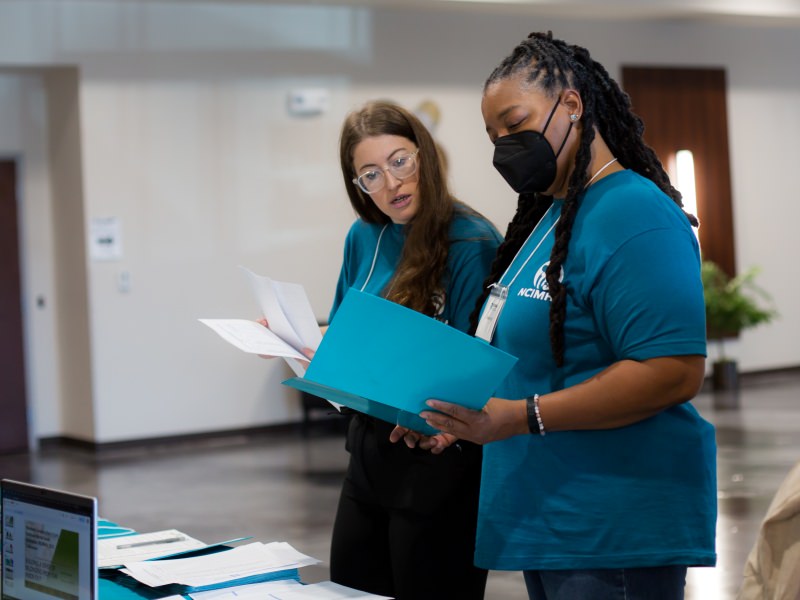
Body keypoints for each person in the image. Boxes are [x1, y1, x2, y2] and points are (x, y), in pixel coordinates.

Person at [418, 32, 717, 600]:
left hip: (612, 526)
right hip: (548, 515)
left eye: (515, 122)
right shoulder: (549, 219)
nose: (504, 144)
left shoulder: (634, 214)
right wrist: (449, 416)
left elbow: (673, 370)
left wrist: (520, 416)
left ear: (573, 105)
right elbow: (524, 354)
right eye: (493, 134)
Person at [327, 100, 501, 599]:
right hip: (367, 456)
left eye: (400, 161)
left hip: (437, 461)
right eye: (371, 175)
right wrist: (294, 342)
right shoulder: (364, 237)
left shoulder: (472, 241)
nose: (391, 184)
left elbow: (479, 363)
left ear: (425, 154)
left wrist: (447, 423)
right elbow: (345, 335)